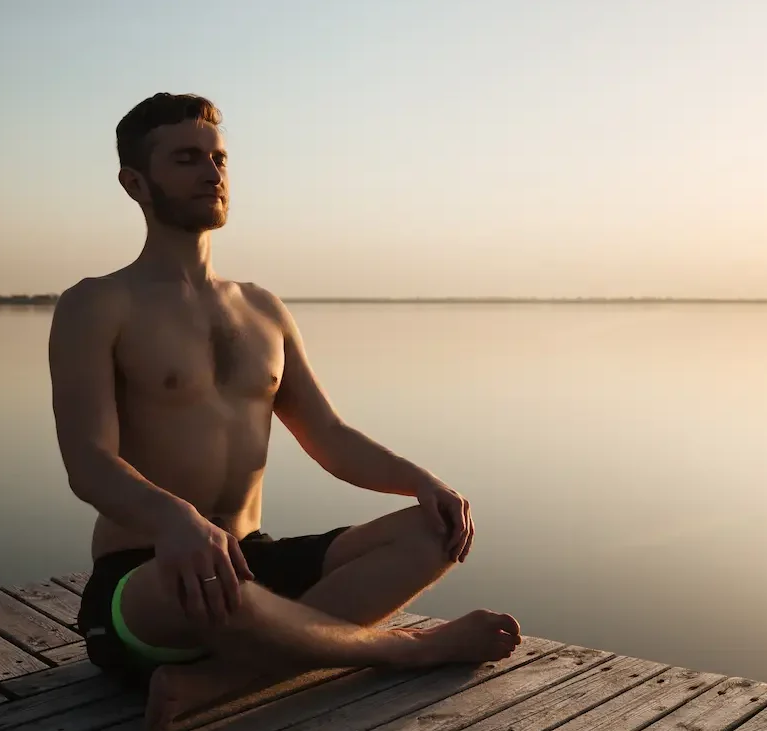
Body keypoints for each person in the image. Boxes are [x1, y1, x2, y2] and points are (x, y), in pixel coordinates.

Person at [48, 93, 521, 728]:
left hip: (254, 556)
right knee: (221, 593)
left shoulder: (262, 308)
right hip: (149, 577)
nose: (211, 172)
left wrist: (421, 482)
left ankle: (218, 681)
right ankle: (409, 649)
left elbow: (327, 434)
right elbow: (89, 462)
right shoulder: (97, 305)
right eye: (186, 159)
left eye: (218, 158)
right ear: (136, 182)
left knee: (435, 530)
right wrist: (175, 522)